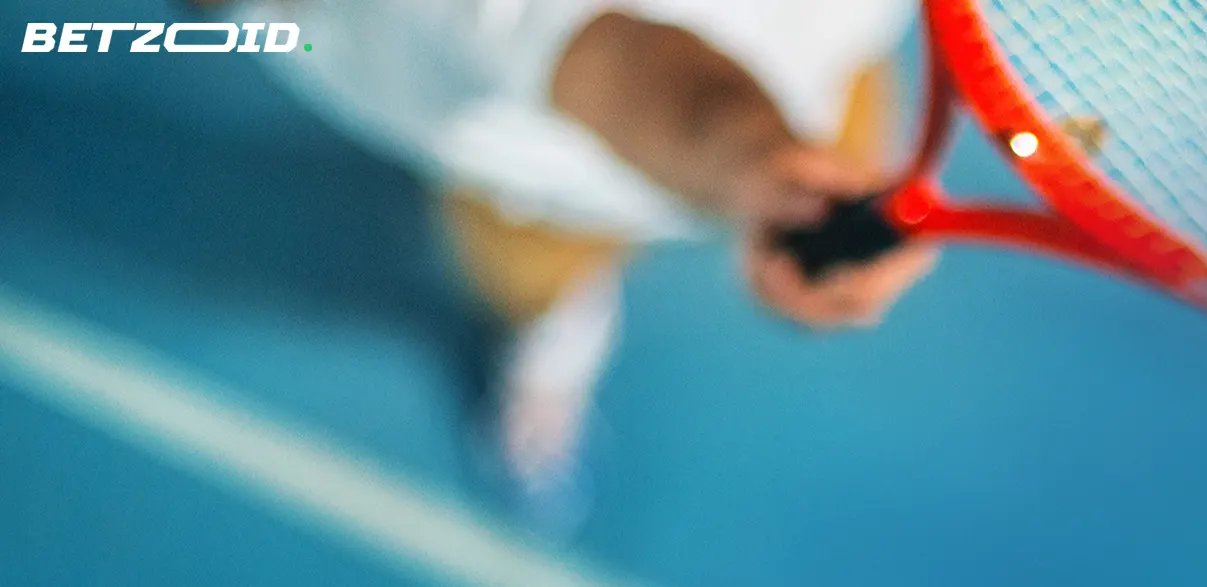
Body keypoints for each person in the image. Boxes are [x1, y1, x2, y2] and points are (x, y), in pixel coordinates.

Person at [194, 0, 938, 535]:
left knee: (850, 117)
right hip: (540, 167)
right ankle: (553, 343)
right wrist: (766, 162)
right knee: (531, 277)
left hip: (821, 74)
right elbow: (615, 61)